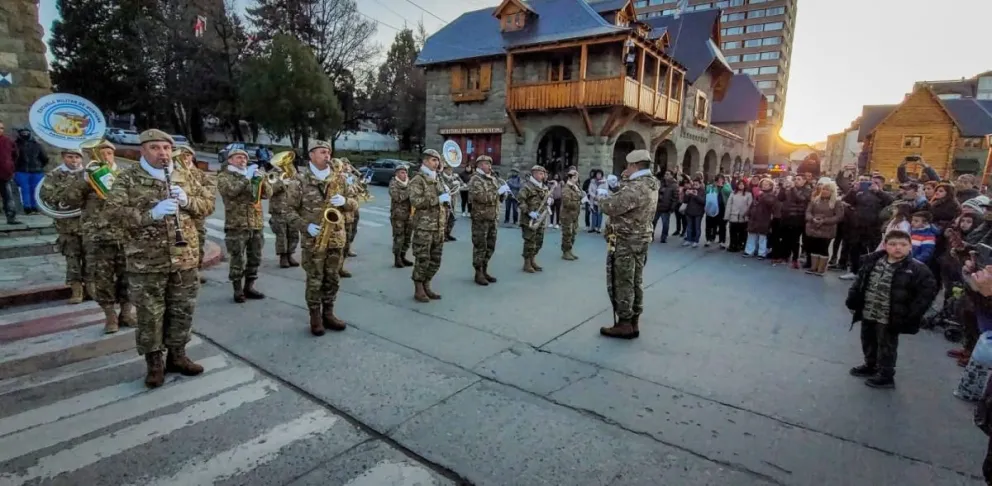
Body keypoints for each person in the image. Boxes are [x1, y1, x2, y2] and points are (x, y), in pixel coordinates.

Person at [105, 129, 211, 388]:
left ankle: (178, 355)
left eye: (165, 148)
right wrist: (150, 214)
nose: (162, 153)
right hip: (146, 261)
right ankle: (154, 363)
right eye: (155, 148)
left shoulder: (184, 174)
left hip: (184, 257)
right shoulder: (128, 177)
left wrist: (187, 201)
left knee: (182, 309)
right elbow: (112, 214)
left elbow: (207, 206)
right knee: (150, 314)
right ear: (143, 150)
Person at [845, 230, 938, 388]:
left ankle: (886, 375)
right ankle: (871, 365)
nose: (897, 248)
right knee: (868, 339)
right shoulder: (873, 261)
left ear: (910, 247)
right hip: (870, 310)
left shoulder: (918, 270)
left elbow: (926, 295)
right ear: (885, 245)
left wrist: (911, 315)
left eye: (903, 244)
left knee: (886, 345)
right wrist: (852, 302)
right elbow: (859, 283)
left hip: (891, 316)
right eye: (893, 244)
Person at [62, 139, 135, 333]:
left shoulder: (124, 175)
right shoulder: (86, 176)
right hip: (98, 236)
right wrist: (84, 183)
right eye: (101, 153)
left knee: (127, 277)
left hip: (124, 235)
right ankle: (110, 316)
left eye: (109, 153)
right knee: (101, 279)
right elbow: (68, 201)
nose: (105, 156)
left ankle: (126, 312)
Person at [285, 141, 356, 335]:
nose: (327, 155)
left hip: (336, 237)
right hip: (313, 240)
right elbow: (288, 211)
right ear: (311, 155)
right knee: (315, 279)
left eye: (329, 152)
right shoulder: (298, 180)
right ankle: (315, 317)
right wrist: (305, 226)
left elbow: (354, 203)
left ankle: (329, 313)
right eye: (323, 152)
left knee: (332, 278)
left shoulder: (339, 178)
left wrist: (345, 201)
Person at [597, 150, 659, 339]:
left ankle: (624, 323)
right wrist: (619, 187)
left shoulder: (636, 187)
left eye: (628, 166)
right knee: (636, 280)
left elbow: (611, 207)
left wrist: (602, 195)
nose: (626, 169)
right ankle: (634, 321)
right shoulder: (650, 183)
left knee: (622, 281)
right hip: (641, 239)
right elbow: (630, 202)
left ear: (634, 165)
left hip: (626, 240)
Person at [217, 149, 271, 303]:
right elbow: (231, 192)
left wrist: (262, 180)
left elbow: (267, 194)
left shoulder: (250, 174)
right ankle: (237, 289)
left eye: (245, 158)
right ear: (230, 160)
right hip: (237, 224)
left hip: (256, 223)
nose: (243, 160)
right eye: (239, 157)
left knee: (255, 257)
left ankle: (249, 286)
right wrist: (247, 178)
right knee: (237, 259)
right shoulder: (224, 176)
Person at [39, 148, 87, 304]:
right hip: (67, 226)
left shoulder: (89, 174)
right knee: (72, 260)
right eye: (69, 157)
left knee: (92, 260)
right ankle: (76, 291)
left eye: (76, 157)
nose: (73, 160)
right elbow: (47, 196)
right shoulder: (54, 176)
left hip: (88, 225)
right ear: (63, 157)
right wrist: (70, 194)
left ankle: (92, 289)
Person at [409, 149, 448, 302]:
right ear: (425, 161)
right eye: (433, 160)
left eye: (437, 160)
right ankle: (418, 288)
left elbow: (442, 198)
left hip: (438, 226)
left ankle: (427, 284)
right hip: (424, 227)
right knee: (422, 259)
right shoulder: (418, 180)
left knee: (435, 259)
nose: (436, 163)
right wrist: (437, 200)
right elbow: (416, 201)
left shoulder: (437, 178)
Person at [468, 155, 507, 285]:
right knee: (480, 246)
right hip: (481, 219)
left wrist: (503, 193)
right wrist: (497, 193)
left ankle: (484, 269)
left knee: (490, 245)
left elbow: (498, 198)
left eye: (490, 164)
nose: (489, 166)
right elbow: (480, 197)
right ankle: (478, 272)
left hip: (492, 218)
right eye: (486, 164)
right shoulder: (475, 179)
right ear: (479, 165)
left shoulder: (493, 179)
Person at [804, 180, 845, 276]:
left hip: (827, 229)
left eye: (827, 190)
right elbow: (808, 212)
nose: (825, 191)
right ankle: (813, 267)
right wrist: (812, 219)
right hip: (813, 227)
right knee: (814, 247)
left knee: (823, 248)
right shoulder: (815, 200)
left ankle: (821, 269)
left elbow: (839, 216)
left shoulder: (837, 202)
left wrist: (824, 221)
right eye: (823, 189)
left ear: (832, 191)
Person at [268, 156, 301, 269]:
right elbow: (269, 190)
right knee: (281, 234)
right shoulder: (273, 173)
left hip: (292, 208)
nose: (287, 163)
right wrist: (282, 183)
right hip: (279, 209)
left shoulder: (293, 172)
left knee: (293, 233)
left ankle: (290, 254)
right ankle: (283, 257)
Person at [519, 165, 552, 273]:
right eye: (540, 173)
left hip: (540, 219)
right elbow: (521, 201)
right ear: (534, 174)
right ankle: (527, 262)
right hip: (529, 219)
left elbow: (546, 198)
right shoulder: (527, 186)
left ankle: (533, 259)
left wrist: (549, 201)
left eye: (543, 174)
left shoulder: (544, 187)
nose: (543, 176)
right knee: (530, 241)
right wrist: (529, 212)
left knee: (539, 241)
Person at [14, 127, 48, 214]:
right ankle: (27, 208)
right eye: (23, 132)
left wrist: (39, 166)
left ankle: (35, 207)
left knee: (35, 190)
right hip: (22, 171)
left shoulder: (37, 144)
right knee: (25, 189)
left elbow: (44, 158)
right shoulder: (15, 144)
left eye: (26, 132)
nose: (25, 134)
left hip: (36, 171)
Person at [389, 164, 414, 268]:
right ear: (397, 173)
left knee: (407, 238)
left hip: (410, 215)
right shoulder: (393, 183)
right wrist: (409, 190)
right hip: (398, 216)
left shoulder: (409, 182)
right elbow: (398, 197)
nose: (405, 174)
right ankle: (397, 258)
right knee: (399, 237)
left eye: (406, 172)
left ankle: (403, 256)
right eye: (402, 172)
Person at [560, 169, 586, 260]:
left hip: (575, 215)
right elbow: (567, 203)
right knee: (567, 234)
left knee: (573, 234)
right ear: (570, 178)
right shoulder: (566, 188)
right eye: (574, 177)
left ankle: (570, 250)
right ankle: (565, 252)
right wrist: (579, 202)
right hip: (567, 215)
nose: (576, 179)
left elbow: (579, 196)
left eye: (577, 177)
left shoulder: (576, 187)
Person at [725, 179, 753, 253]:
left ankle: (741, 245)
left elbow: (750, 206)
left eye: (742, 184)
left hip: (743, 217)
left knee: (742, 233)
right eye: (739, 184)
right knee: (733, 232)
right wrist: (727, 216)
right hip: (733, 216)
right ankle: (732, 245)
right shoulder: (733, 193)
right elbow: (729, 205)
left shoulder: (748, 194)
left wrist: (748, 215)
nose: (741, 185)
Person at [704, 174, 731, 248]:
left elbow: (729, 192)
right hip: (711, 207)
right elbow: (707, 192)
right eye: (718, 179)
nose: (720, 180)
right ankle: (708, 239)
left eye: (721, 179)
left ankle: (722, 241)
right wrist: (714, 186)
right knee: (709, 224)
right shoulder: (710, 186)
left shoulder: (726, 186)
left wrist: (722, 186)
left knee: (722, 225)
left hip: (722, 208)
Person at [0, 120, 18, 224]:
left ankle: (11, 217)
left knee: (8, 196)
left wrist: (9, 166)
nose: (0, 130)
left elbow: (15, 155)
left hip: (5, 173)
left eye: (2, 128)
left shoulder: (8, 141)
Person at [654, 171, 679, 243]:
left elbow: (675, 198)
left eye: (668, 174)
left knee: (665, 224)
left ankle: (664, 237)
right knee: (653, 222)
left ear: (672, 176)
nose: (665, 175)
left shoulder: (674, 185)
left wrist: (672, 208)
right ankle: (651, 236)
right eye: (665, 174)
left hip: (666, 208)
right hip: (658, 206)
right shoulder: (661, 183)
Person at [440, 161, 462, 242]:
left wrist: (459, 183)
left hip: (453, 200)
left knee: (452, 218)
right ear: (445, 169)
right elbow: (443, 188)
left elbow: (464, 186)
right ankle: (443, 235)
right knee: (444, 219)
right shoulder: (441, 177)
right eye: (448, 169)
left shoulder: (455, 176)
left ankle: (448, 233)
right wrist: (452, 184)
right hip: (445, 201)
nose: (450, 170)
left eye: (451, 169)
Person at [681, 179, 705, 248]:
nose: (695, 186)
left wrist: (696, 195)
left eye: (696, 184)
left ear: (700, 184)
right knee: (689, 227)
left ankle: (696, 241)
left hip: (698, 212)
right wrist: (686, 195)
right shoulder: (690, 190)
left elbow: (703, 201)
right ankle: (688, 240)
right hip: (689, 212)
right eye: (694, 184)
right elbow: (685, 201)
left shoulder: (702, 191)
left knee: (697, 227)